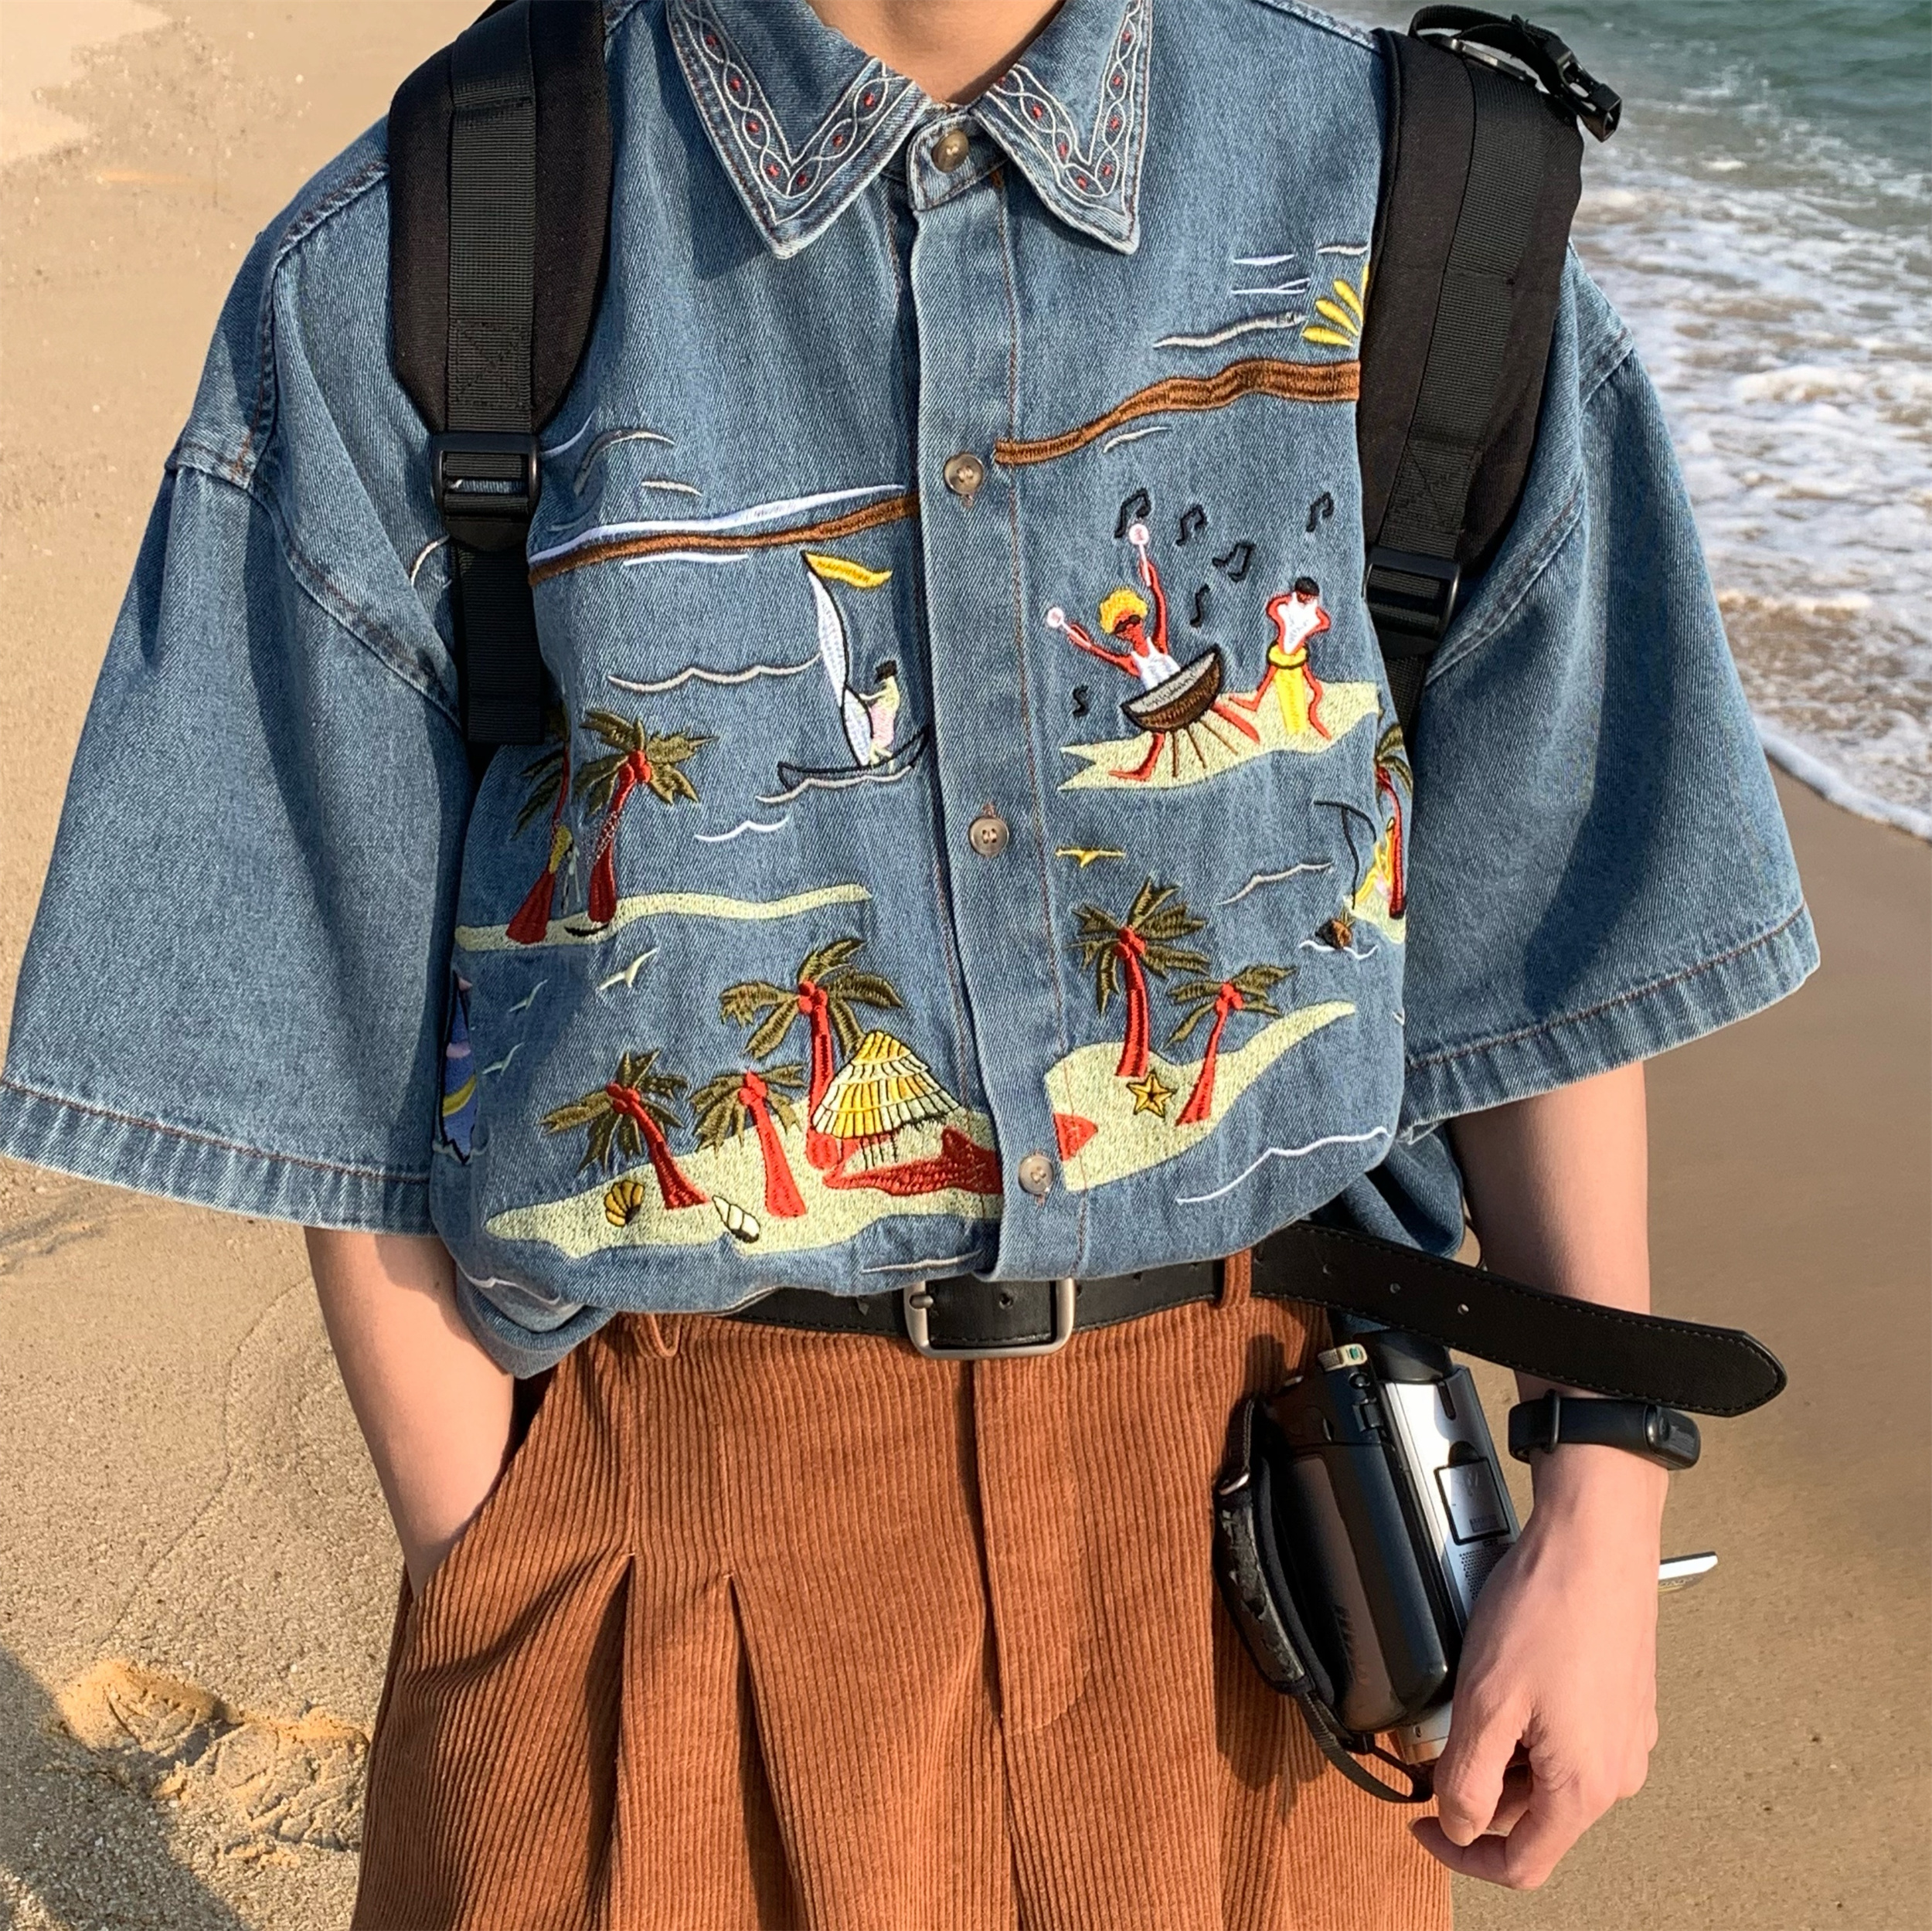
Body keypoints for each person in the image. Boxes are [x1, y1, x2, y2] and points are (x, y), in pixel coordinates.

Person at [0, 0, 1816, 1924]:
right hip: (655, 1537)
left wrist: (1602, 1493)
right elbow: (329, 1045)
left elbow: (1524, 925)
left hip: (1263, 1557)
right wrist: (505, 1572)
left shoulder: (1416, 194)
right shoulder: (436, 247)